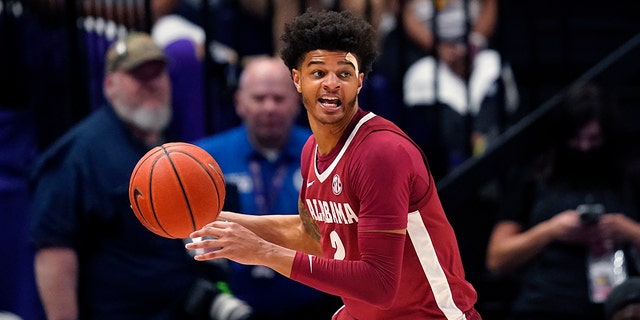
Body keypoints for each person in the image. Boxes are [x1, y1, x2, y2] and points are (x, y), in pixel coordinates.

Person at [186, 9, 481, 319]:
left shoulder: (382, 153)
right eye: (318, 73)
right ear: (297, 79)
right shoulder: (311, 149)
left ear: (360, 82)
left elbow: (379, 284)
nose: (331, 84)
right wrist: (221, 222)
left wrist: (263, 252)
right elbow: (313, 235)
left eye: (343, 73)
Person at [29, 32, 247, 320]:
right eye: (138, 76)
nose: (151, 84)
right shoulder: (79, 155)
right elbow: (54, 248)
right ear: (110, 85)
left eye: (157, 74)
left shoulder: (167, 144)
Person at [195, 56, 342, 319]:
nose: (269, 108)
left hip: (315, 303)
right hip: (235, 307)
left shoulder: (329, 155)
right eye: (259, 98)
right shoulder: (206, 159)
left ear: (297, 102)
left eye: (278, 98)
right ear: (240, 103)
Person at [485, 82, 640, 320]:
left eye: (593, 139)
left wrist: (626, 230)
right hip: (546, 304)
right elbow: (497, 259)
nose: (585, 148)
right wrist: (551, 230)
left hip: (618, 307)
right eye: (576, 139)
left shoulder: (628, 175)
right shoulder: (534, 177)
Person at [401, 0, 519, 178]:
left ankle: (483, 141)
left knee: (494, 67)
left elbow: (489, 5)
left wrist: (473, 45)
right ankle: (458, 160)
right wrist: (438, 49)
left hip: (474, 50)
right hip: (431, 54)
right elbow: (406, 13)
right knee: (421, 80)